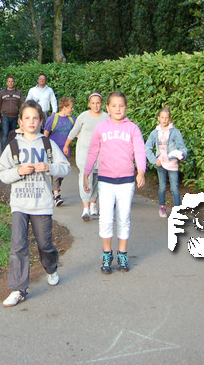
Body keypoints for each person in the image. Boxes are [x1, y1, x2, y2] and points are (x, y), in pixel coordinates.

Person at [0, 100, 71, 306]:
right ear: (20, 122)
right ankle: (18, 289)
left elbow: (65, 167)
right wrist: (18, 171)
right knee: (18, 245)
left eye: (35, 118)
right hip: (19, 204)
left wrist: (49, 167)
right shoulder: (13, 146)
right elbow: (2, 173)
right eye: (27, 118)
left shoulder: (48, 144)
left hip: (42, 204)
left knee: (45, 244)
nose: (31, 121)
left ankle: (51, 268)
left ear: (40, 121)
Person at [84, 91, 146, 274]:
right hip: (106, 180)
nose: (118, 109)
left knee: (123, 218)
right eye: (114, 106)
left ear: (126, 108)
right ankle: (107, 253)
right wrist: (86, 173)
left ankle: (123, 254)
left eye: (121, 105)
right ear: (108, 108)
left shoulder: (133, 129)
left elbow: (140, 151)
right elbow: (93, 151)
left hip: (126, 181)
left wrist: (141, 172)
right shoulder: (101, 128)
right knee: (105, 218)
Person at [63, 92, 108, 221]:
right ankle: (85, 208)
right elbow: (74, 132)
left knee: (97, 178)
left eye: (98, 103)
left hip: (100, 154)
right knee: (85, 176)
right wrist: (66, 145)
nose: (95, 105)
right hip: (84, 152)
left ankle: (93, 204)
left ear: (101, 104)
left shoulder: (106, 117)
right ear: (89, 104)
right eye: (93, 103)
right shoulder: (83, 116)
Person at [144, 107, 188, 218]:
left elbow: (182, 148)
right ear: (158, 118)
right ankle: (162, 207)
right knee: (162, 186)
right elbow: (147, 147)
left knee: (174, 188)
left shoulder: (175, 132)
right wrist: (155, 160)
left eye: (166, 118)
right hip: (161, 163)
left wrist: (182, 155)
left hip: (172, 163)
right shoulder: (155, 133)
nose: (164, 120)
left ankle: (178, 211)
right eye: (162, 117)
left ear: (170, 119)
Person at [44, 96, 75, 207]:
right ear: (64, 107)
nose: (72, 109)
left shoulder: (72, 119)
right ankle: (56, 194)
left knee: (61, 173)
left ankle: (53, 191)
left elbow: (76, 133)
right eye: (71, 107)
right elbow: (45, 135)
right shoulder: (52, 119)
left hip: (65, 150)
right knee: (56, 172)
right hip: (53, 151)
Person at [0, 76, 24, 151]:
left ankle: (12, 151)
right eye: (9, 81)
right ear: (6, 83)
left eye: (12, 81)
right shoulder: (2, 92)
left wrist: (22, 116)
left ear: (14, 82)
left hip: (15, 116)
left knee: (13, 134)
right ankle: (4, 152)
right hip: (5, 116)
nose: (10, 83)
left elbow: (23, 103)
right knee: (5, 133)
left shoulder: (19, 92)